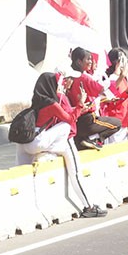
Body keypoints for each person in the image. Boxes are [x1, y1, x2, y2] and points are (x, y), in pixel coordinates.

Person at [15, 71, 107, 218]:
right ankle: (88, 206)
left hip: (26, 143)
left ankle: (22, 210)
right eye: (58, 83)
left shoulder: (37, 100)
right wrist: (81, 103)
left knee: (21, 174)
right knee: (66, 129)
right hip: (44, 143)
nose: (60, 85)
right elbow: (69, 119)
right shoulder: (53, 102)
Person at [67, 47, 121, 150]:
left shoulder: (69, 77)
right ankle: (97, 140)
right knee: (117, 124)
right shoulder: (83, 78)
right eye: (88, 59)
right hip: (87, 119)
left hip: (75, 120)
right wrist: (114, 77)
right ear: (79, 61)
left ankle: (88, 140)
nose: (91, 62)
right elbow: (101, 90)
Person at [99, 48, 128, 144]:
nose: (126, 64)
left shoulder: (124, 79)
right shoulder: (111, 79)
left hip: (123, 123)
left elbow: (127, 104)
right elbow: (110, 100)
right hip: (115, 123)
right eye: (123, 60)